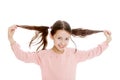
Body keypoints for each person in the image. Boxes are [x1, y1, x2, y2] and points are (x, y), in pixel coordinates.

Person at [8, 20, 112, 80]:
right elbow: (23, 56)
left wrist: (106, 42)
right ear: (52, 36)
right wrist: (11, 40)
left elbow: (91, 53)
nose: (63, 42)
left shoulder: (73, 54)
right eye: (59, 38)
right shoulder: (43, 55)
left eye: (66, 39)